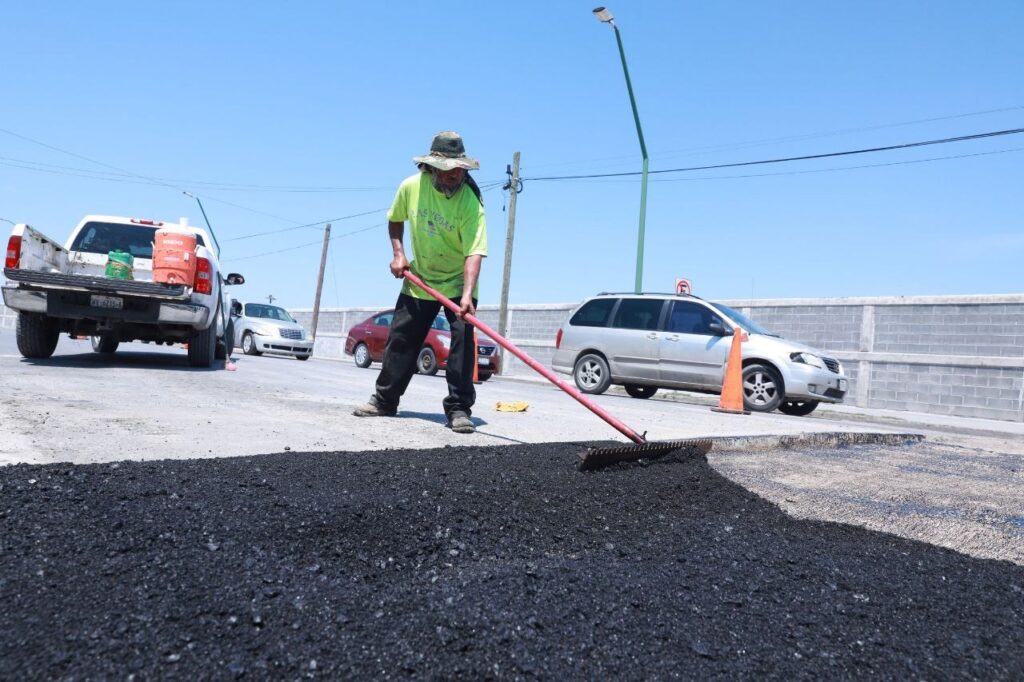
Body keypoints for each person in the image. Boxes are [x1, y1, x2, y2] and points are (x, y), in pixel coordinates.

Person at [353, 131, 488, 434]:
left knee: (462, 343)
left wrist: (467, 296)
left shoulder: (470, 201)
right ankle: (385, 400)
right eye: (448, 169)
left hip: (457, 283)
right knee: (401, 340)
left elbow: (475, 252)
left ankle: (458, 409)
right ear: (430, 168)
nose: (454, 174)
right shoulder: (411, 187)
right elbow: (395, 219)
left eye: (459, 169)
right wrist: (398, 254)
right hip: (421, 279)